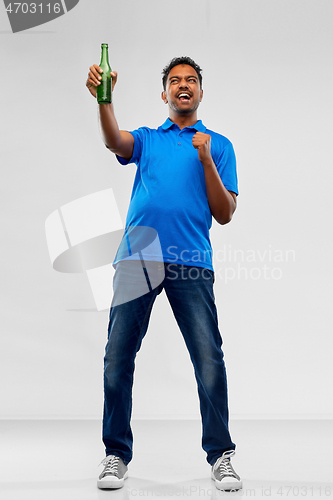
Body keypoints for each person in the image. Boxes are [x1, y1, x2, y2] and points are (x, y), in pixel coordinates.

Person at [86, 56, 242, 492]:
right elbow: (113, 140)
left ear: (200, 92)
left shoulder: (219, 144)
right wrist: (105, 99)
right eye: (175, 81)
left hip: (192, 261)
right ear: (165, 94)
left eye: (191, 80)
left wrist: (207, 159)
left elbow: (225, 213)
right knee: (118, 357)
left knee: (208, 359)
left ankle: (221, 456)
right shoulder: (149, 139)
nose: (183, 86)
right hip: (137, 257)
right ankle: (115, 454)